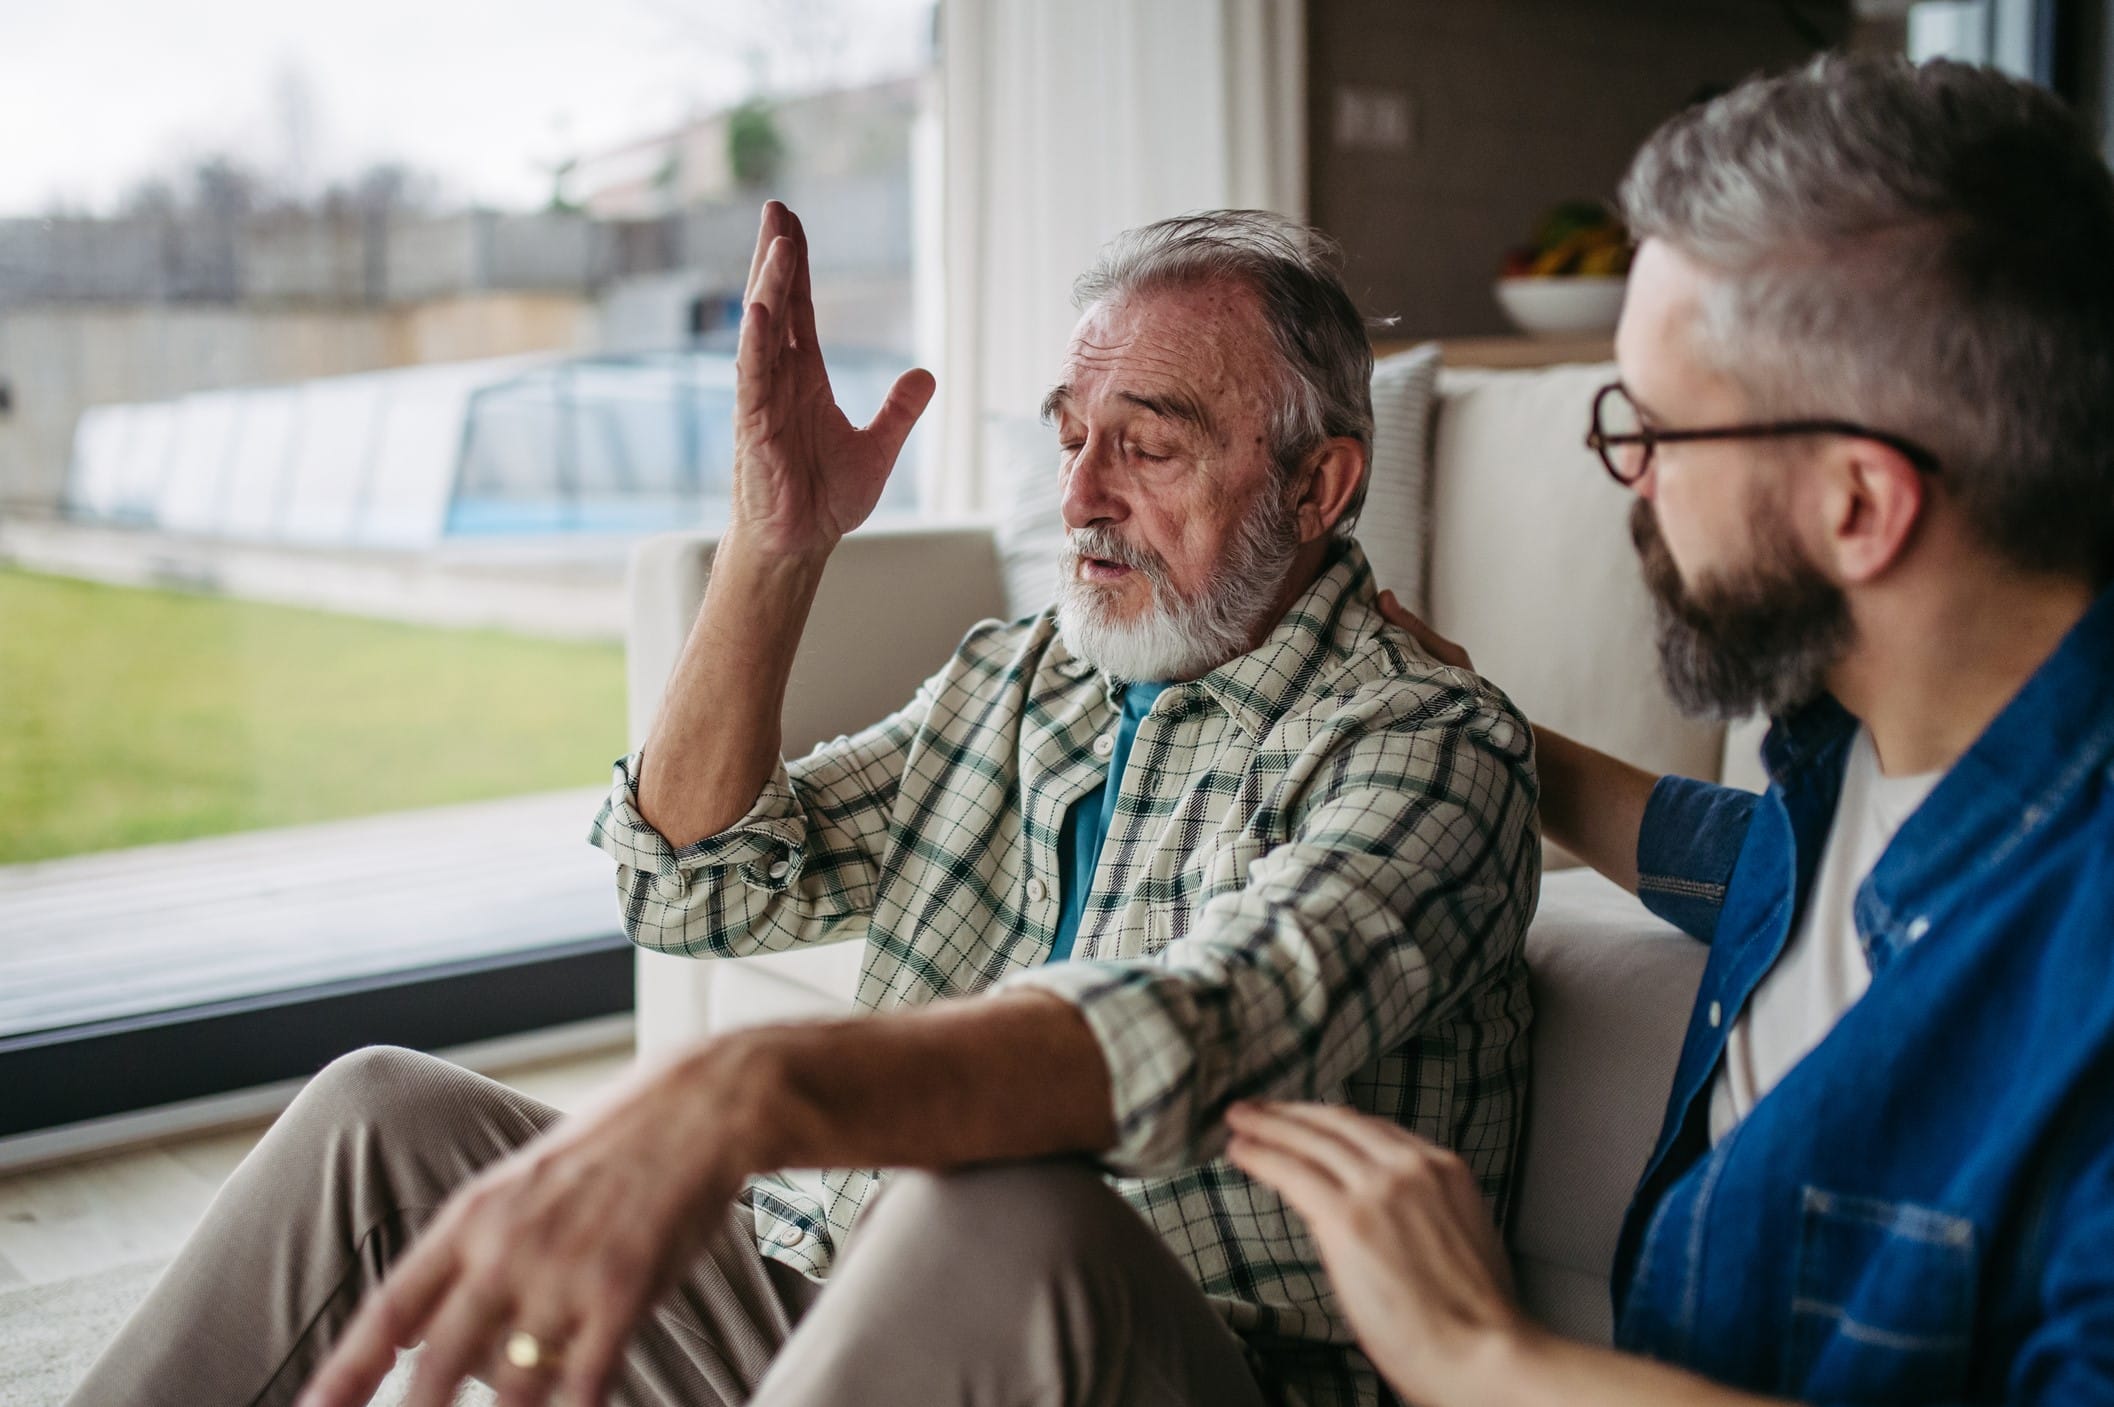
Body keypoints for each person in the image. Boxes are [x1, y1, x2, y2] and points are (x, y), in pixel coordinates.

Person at [67, 205, 1540, 1407]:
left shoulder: (1425, 746)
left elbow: (1200, 1026)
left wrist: (752, 1090)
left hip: (1173, 1362)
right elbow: (698, 883)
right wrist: (777, 543)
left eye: (1145, 445)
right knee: (380, 1113)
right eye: (1067, 433)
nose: (1080, 494)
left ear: (1319, 483)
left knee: (1001, 1205)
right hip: (848, 1312)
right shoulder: (1024, 683)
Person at [1225, 54, 2114, 1405]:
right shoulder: (1862, 754)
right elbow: (1740, 855)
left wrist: (1481, 1359)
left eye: (1650, 428)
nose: (1624, 478)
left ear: (1859, 509)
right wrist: (1488, 732)